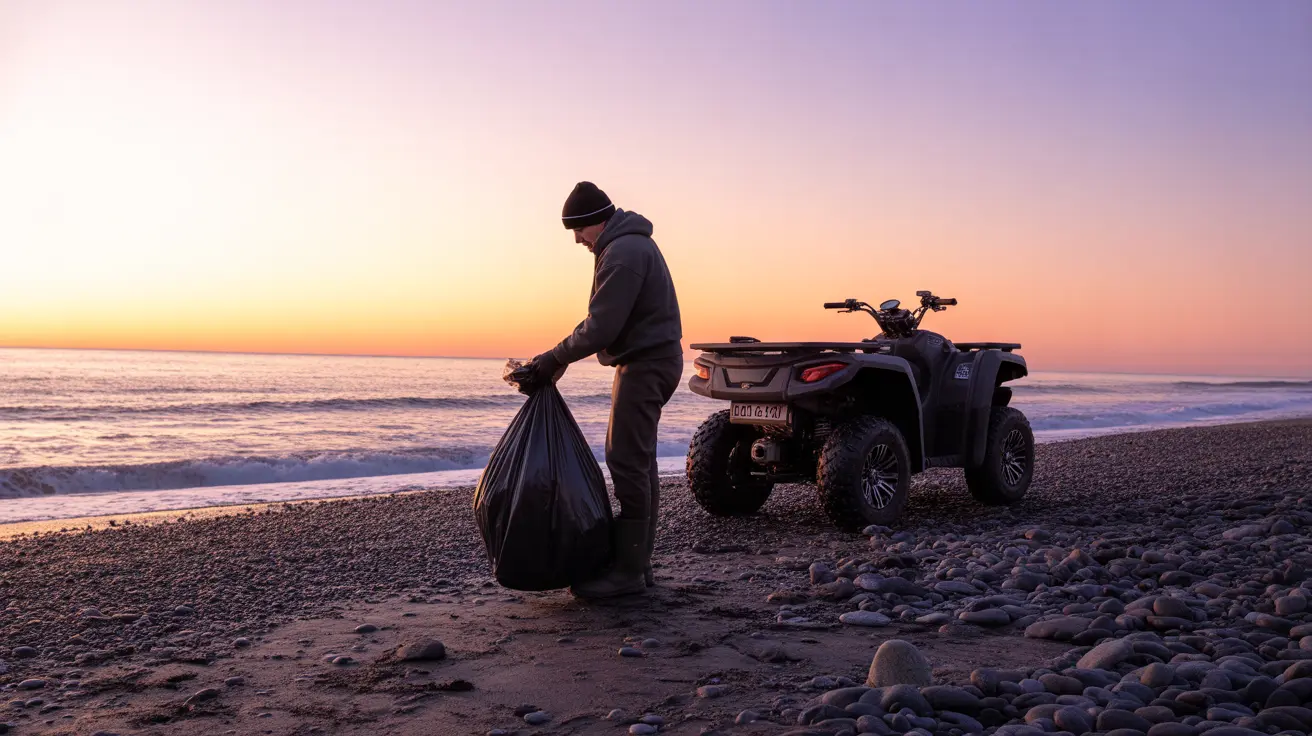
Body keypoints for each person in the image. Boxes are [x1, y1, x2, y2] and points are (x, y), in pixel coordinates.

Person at [527, 182, 683, 599]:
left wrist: (552, 358)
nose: (577, 239)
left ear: (594, 221)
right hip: (651, 360)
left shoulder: (625, 252)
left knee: (625, 459)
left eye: (578, 230)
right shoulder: (625, 247)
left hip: (647, 365)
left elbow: (601, 326)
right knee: (639, 459)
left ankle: (629, 572)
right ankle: (638, 563)